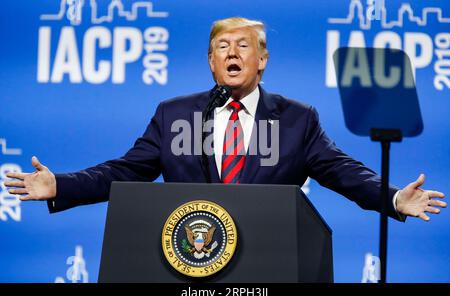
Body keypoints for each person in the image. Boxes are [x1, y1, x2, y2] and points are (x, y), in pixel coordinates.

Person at [4, 17, 446, 221]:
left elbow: (342, 172)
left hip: (268, 268)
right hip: (186, 263)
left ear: (262, 61)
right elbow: (126, 170)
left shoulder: (297, 119)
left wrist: (391, 198)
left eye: (243, 46)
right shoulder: (175, 114)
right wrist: (60, 184)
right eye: (222, 47)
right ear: (211, 63)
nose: (232, 53)